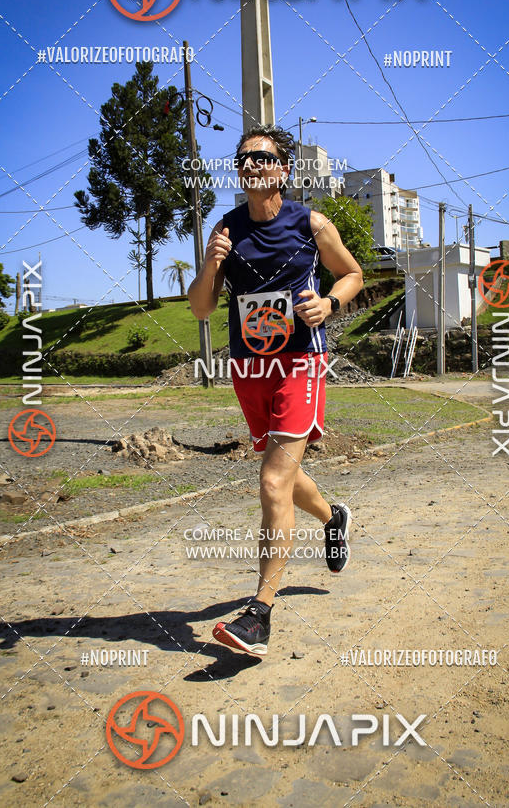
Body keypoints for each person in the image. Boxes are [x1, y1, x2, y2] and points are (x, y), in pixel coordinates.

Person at [188, 124, 363, 656]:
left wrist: (330, 303)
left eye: (262, 158)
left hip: (301, 363)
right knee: (282, 474)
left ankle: (259, 613)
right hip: (249, 367)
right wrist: (211, 262)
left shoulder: (310, 222)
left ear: (282, 170)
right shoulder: (226, 229)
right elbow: (200, 307)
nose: (251, 166)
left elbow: (352, 274)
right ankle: (334, 517)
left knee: (270, 481)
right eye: (243, 160)